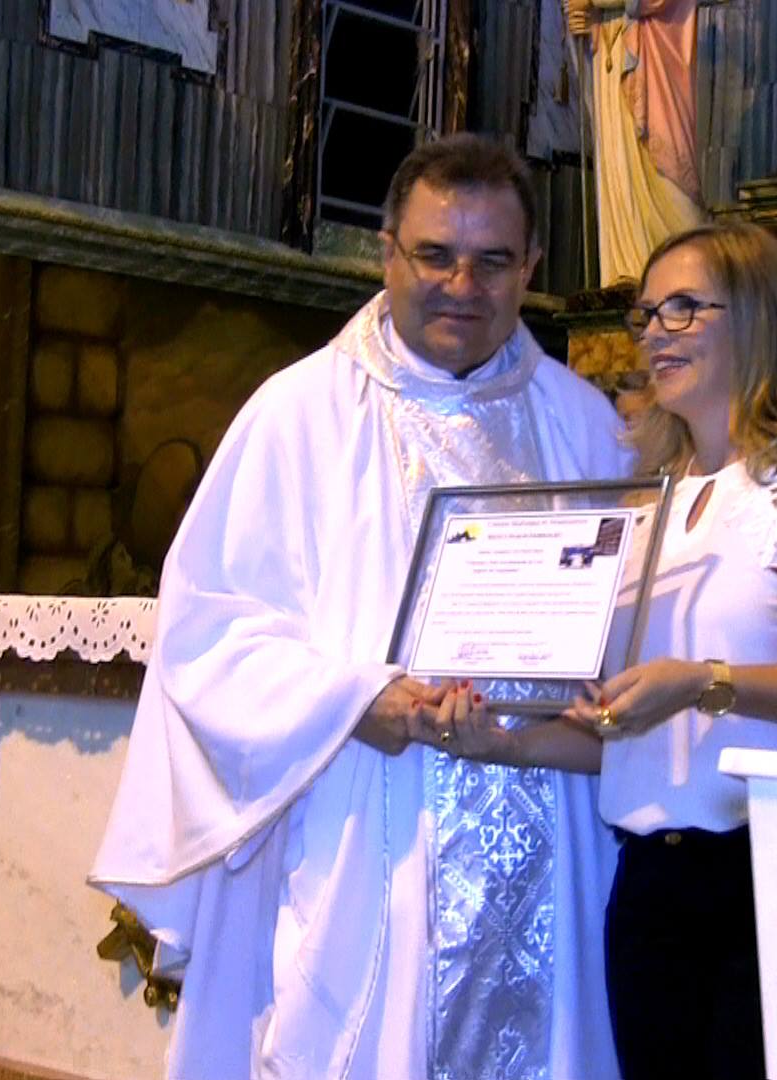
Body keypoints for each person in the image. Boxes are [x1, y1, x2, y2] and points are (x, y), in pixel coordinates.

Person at [88, 134, 629, 1080]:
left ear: (531, 268)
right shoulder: (298, 414)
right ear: (387, 252)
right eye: (435, 254)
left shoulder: (584, 423)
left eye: (493, 260)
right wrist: (353, 700)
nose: (462, 284)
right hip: (369, 825)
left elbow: (631, 629)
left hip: (552, 823)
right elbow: (208, 630)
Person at [563, 222, 777, 1078]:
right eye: (648, 313)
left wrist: (705, 684)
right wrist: (492, 729)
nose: (656, 332)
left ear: (759, 317)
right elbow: (628, 719)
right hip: (653, 878)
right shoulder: (650, 499)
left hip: (776, 867)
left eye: (685, 308)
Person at [565, 0, 706, 285]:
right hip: (613, 51)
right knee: (618, 164)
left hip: (656, 60)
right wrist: (588, 20)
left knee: (667, 179)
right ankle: (625, 270)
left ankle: (682, 276)